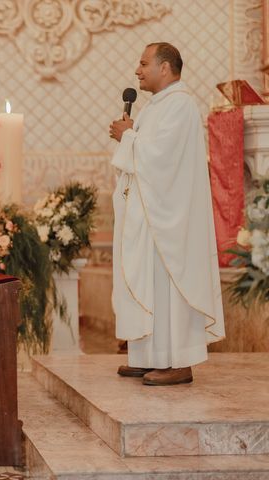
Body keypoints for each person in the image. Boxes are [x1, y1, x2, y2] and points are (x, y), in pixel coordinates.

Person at [108, 42, 225, 386]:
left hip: (171, 219)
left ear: (165, 67)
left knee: (170, 286)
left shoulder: (181, 105)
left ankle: (180, 361)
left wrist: (128, 137)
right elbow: (146, 157)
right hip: (152, 215)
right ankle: (150, 357)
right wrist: (130, 137)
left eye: (144, 64)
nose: (137, 71)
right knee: (152, 285)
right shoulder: (156, 106)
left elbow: (162, 159)